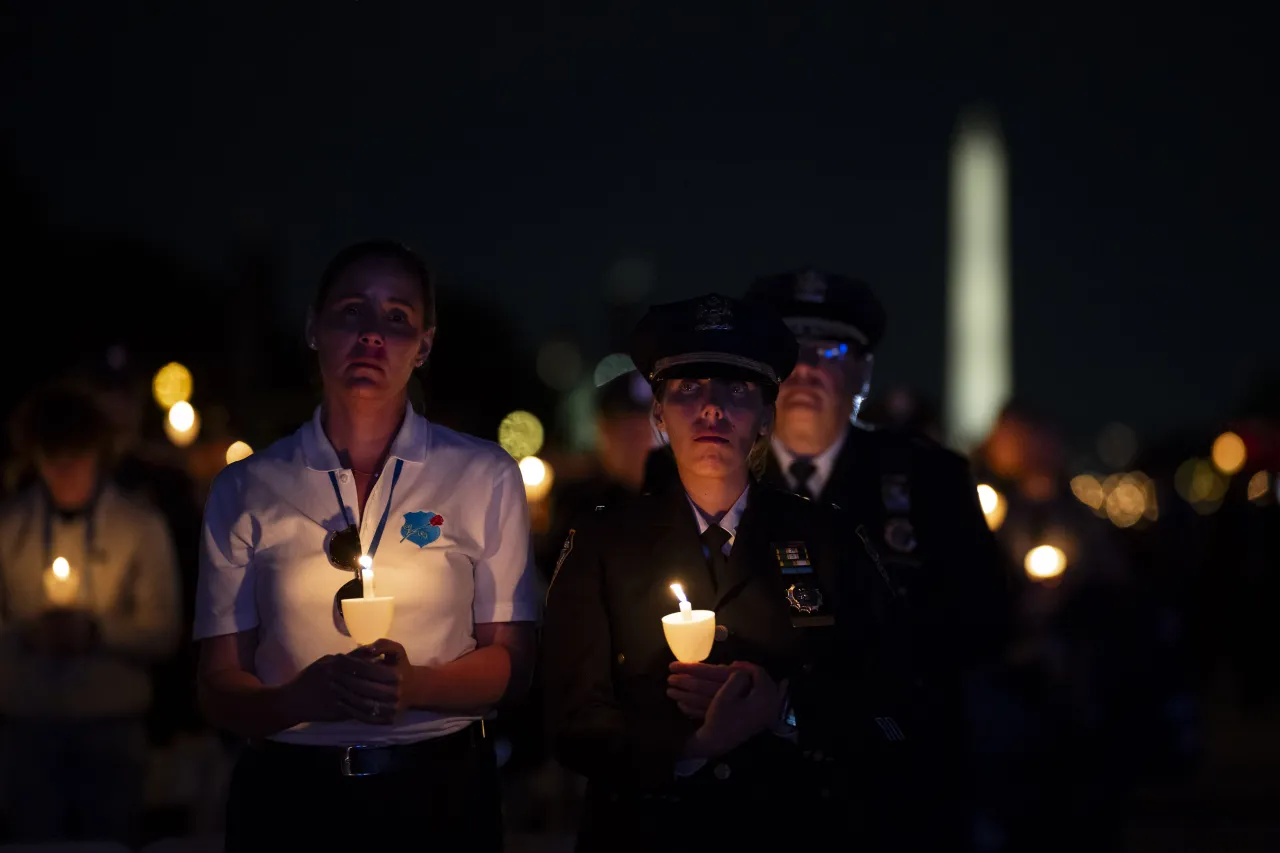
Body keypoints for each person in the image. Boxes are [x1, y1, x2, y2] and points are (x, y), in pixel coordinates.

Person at [194, 240, 540, 852]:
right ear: (313, 327)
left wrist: (417, 688)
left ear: (425, 345)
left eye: (397, 317)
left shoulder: (483, 475)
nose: (373, 334)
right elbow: (218, 684)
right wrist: (299, 698)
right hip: (290, 798)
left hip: (439, 791)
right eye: (351, 310)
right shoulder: (247, 486)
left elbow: (514, 664)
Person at [542, 293, 913, 853]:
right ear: (660, 414)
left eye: (736, 390)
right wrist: (690, 747)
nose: (711, 408)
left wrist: (783, 710)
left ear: (767, 416)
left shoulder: (829, 539)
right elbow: (567, 716)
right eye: (688, 389)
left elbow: (894, 698)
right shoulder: (601, 542)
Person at [742, 268, 1011, 850]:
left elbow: (985, 621)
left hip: (894, 785)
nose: (808, 368)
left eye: (831, 350)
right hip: (751, 789)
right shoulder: (708, 475)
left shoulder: (930, 479)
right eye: (790, 350)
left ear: (864, 371)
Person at [0, 381, 183, 844]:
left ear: (98, 457)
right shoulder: (8, 528)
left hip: (112, 731)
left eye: (75, 460)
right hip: (28, 729)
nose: (64, 475)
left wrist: (97, 634)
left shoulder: (140, 527)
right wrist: (28, 634)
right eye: (52, 462)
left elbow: (164, 631)